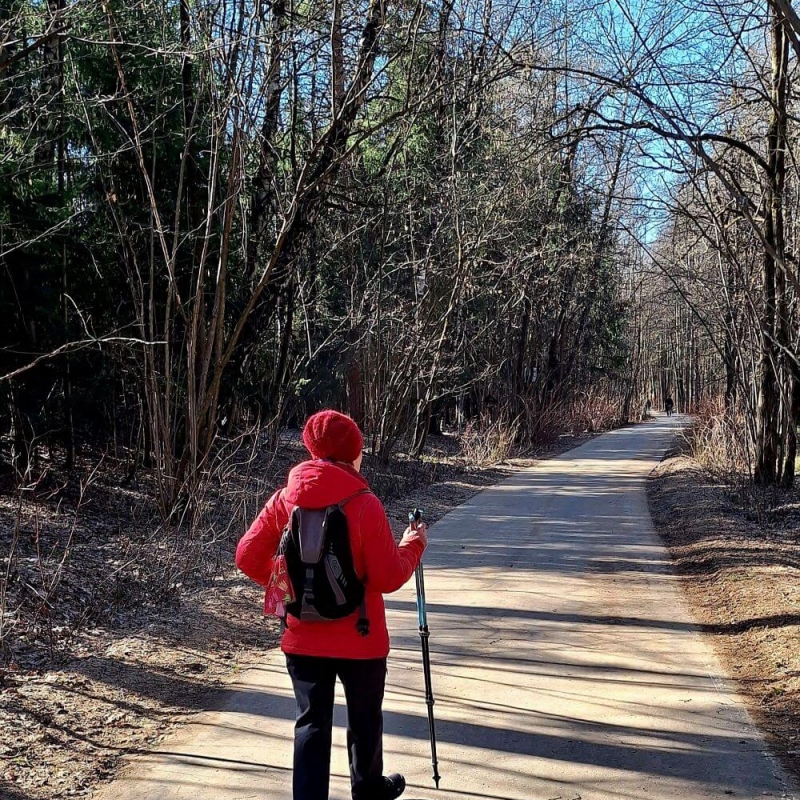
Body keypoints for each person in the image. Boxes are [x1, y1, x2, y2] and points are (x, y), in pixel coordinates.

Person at [235, 410, 427, 800]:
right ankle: (369, 790)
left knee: (311, 724)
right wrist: (414, 544)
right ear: (353, 453)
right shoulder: (365, 504)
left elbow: (247, 557)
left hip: (303, 638)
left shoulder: (284, 500)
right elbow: (388, 577)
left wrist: (287, 585)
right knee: (365, 721)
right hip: (362, 637)